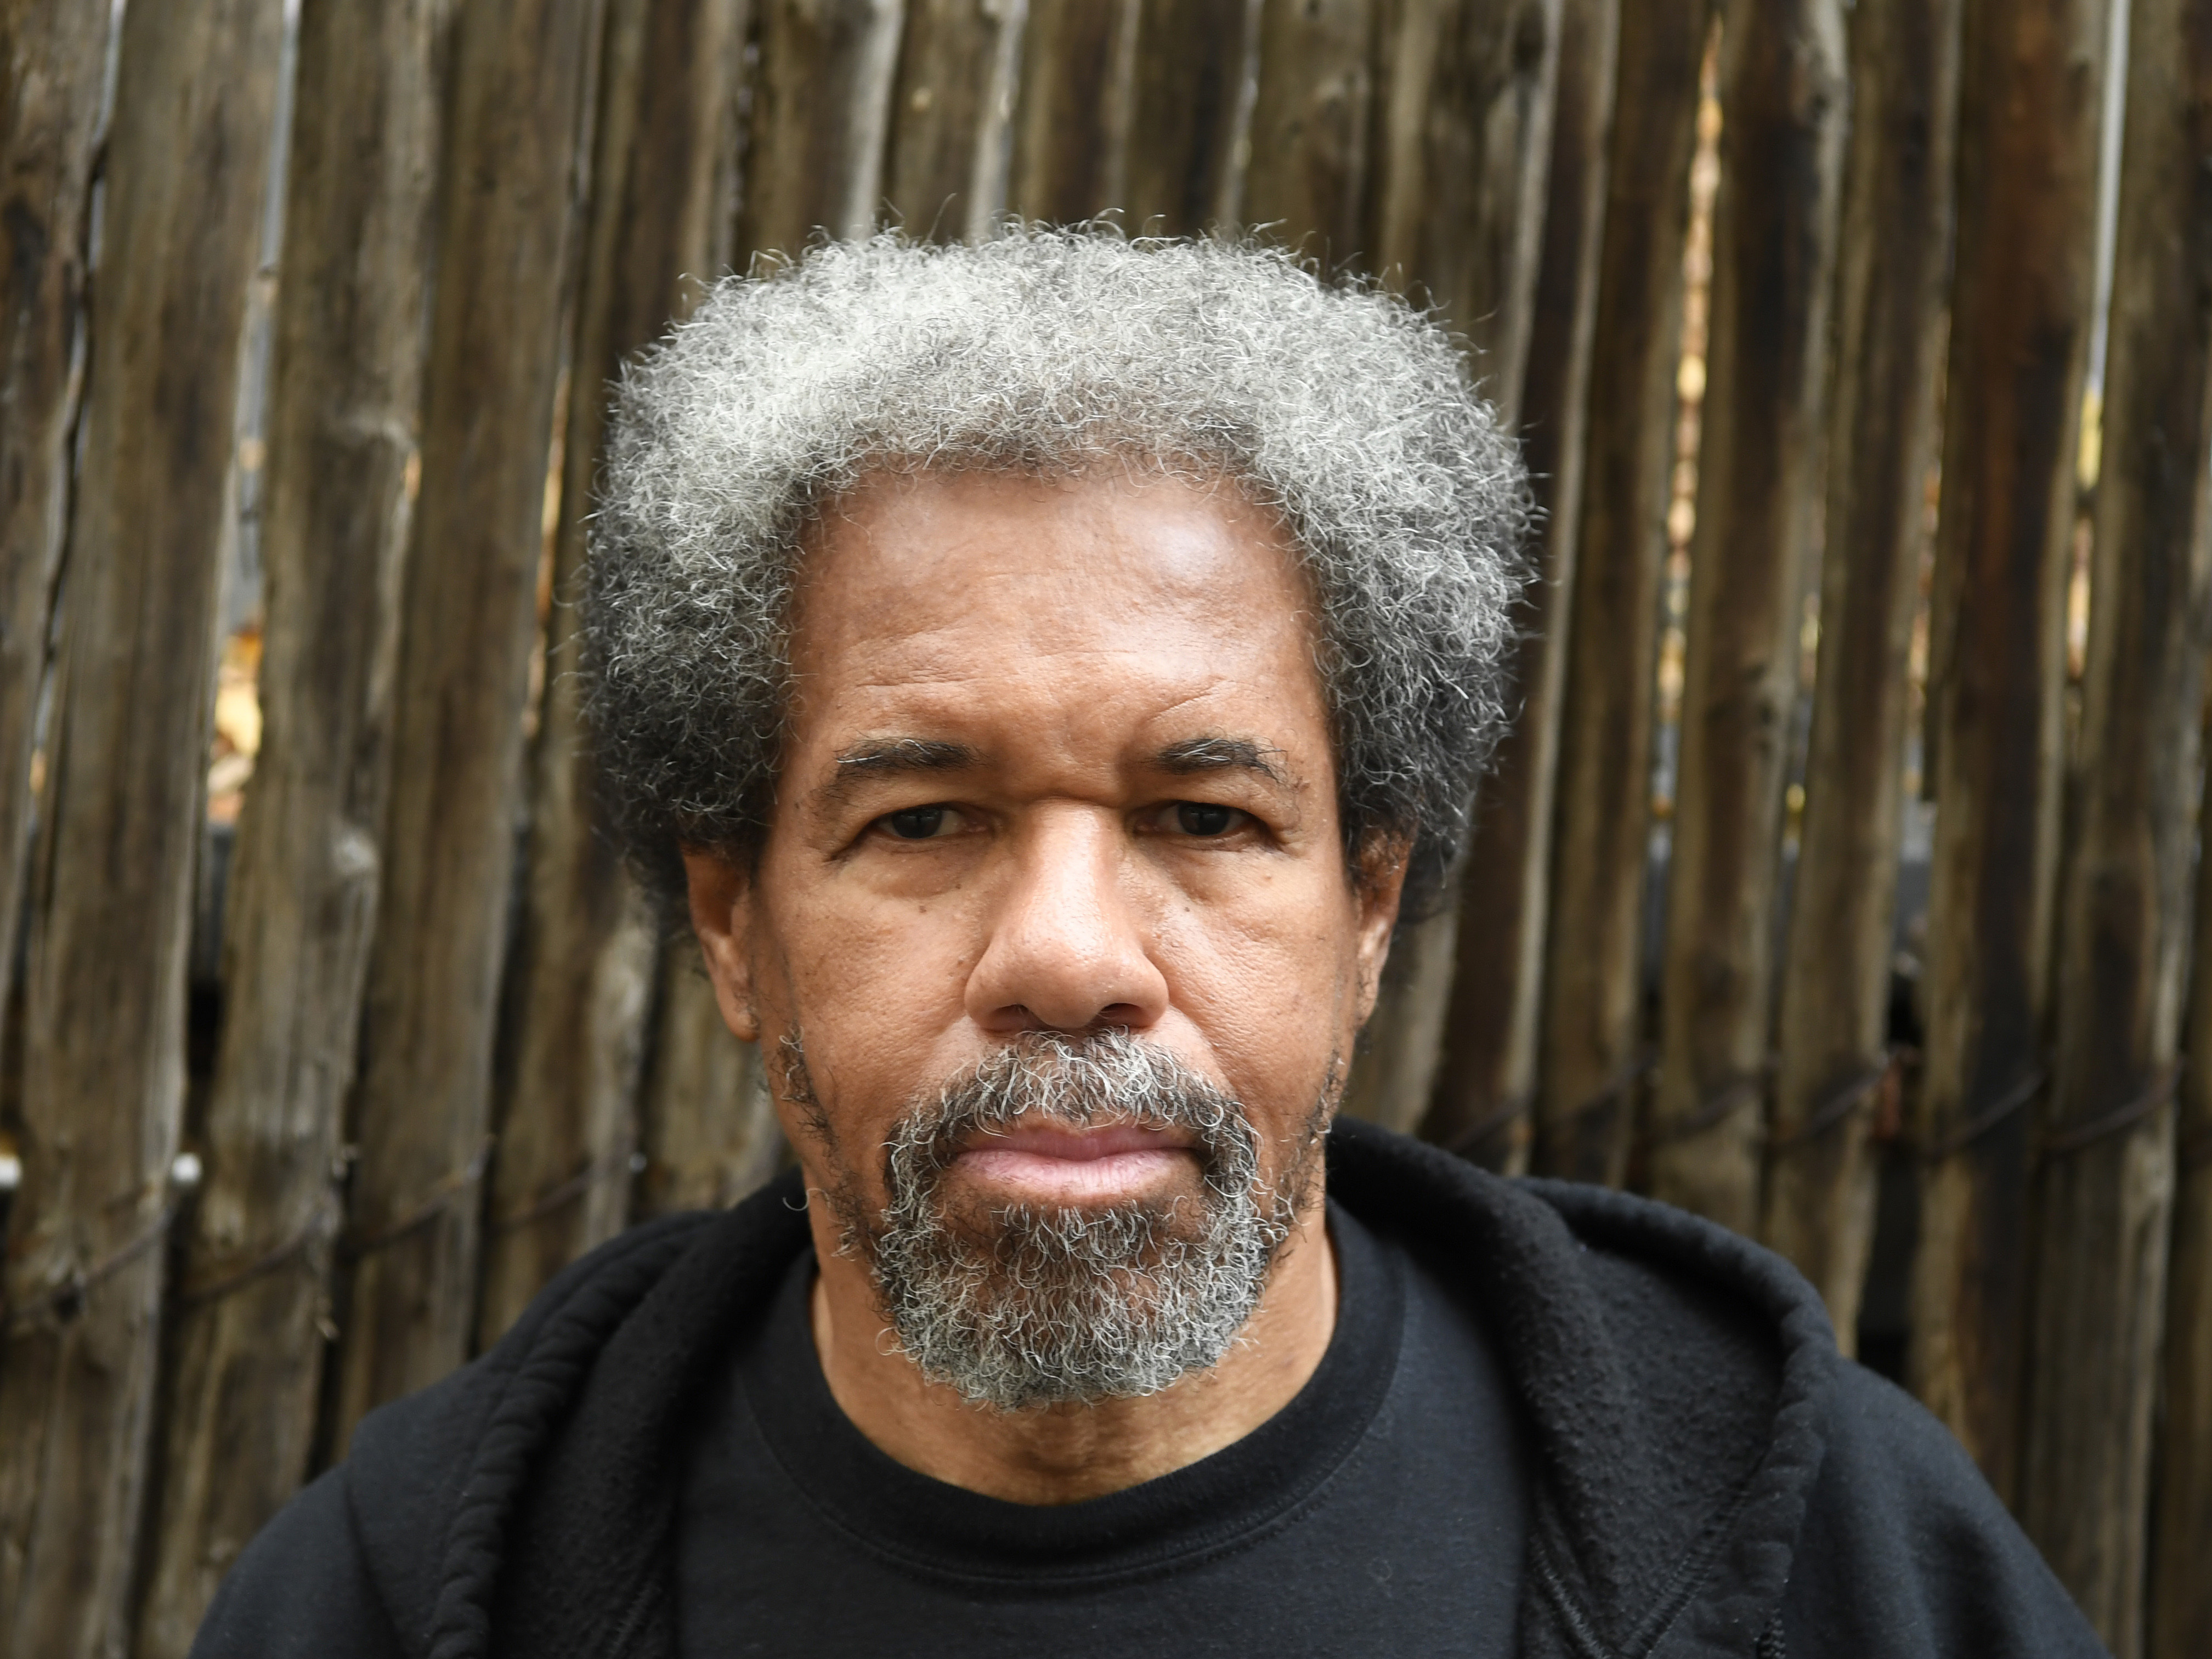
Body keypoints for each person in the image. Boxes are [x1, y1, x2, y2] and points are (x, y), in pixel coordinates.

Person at [192, 230, 2104, 1658]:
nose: (1068, 953)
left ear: (1367, 906)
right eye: (922, 819)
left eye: (1202, 818)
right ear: (733, 922)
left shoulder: (1836, 1560)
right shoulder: (395, 1594)